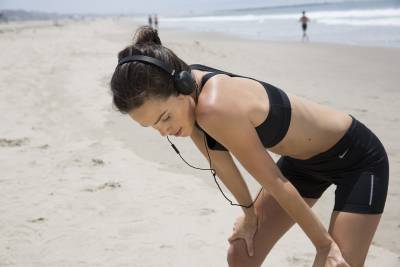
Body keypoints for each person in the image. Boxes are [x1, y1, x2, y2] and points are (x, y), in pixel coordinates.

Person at [110, 26, 389, 267]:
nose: (164, 131)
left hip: (356, 160)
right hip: (302, 164)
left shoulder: (215, 107)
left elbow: (276, 183)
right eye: (153, 126)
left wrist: (324, 245)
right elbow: (220, 163)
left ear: (181, 87)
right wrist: (249, 216)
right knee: (241, 254)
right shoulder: (191, 105)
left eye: (165, 117)